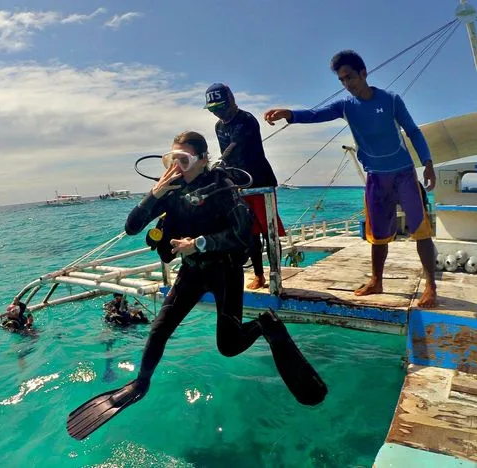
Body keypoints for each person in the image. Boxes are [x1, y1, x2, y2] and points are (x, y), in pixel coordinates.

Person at [66, 131, 327, 441]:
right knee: (158, 329)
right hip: (191, 271)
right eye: (172, 159)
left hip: (225, 270)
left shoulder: (222, 187)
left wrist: (200, 243)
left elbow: (242, 235)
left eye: (184, 160)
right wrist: (155, 193)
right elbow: (132, 227)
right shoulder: (170, 191)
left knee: (228, 347)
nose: (177, 166)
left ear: (203, 160)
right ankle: (140, 384)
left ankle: (265, 324)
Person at [263, 50, 437, 308]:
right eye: (342, 80)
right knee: (377, 234)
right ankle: (377, 280)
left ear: (363, 73)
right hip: (376, 177)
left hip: (403, 173)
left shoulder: (390, 100)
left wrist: (428, 164)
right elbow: (315, 114)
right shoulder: (346, 106)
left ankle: (431, 286)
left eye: (350, 77)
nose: (347, 84)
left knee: (420, 230)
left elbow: (412, 130)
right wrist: (289, 113)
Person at [204, 83, 286, 290]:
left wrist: (220, 161)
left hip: (260, 180)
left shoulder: (246, 120)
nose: (217, 112)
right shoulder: (219, 126)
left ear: (231, 101)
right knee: (249, 232)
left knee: (269, 230)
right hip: (238, 183)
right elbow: (226, 150)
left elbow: (235, 144)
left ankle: (276, 272)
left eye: (220, 107)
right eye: (212, 109)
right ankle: (259, 276)